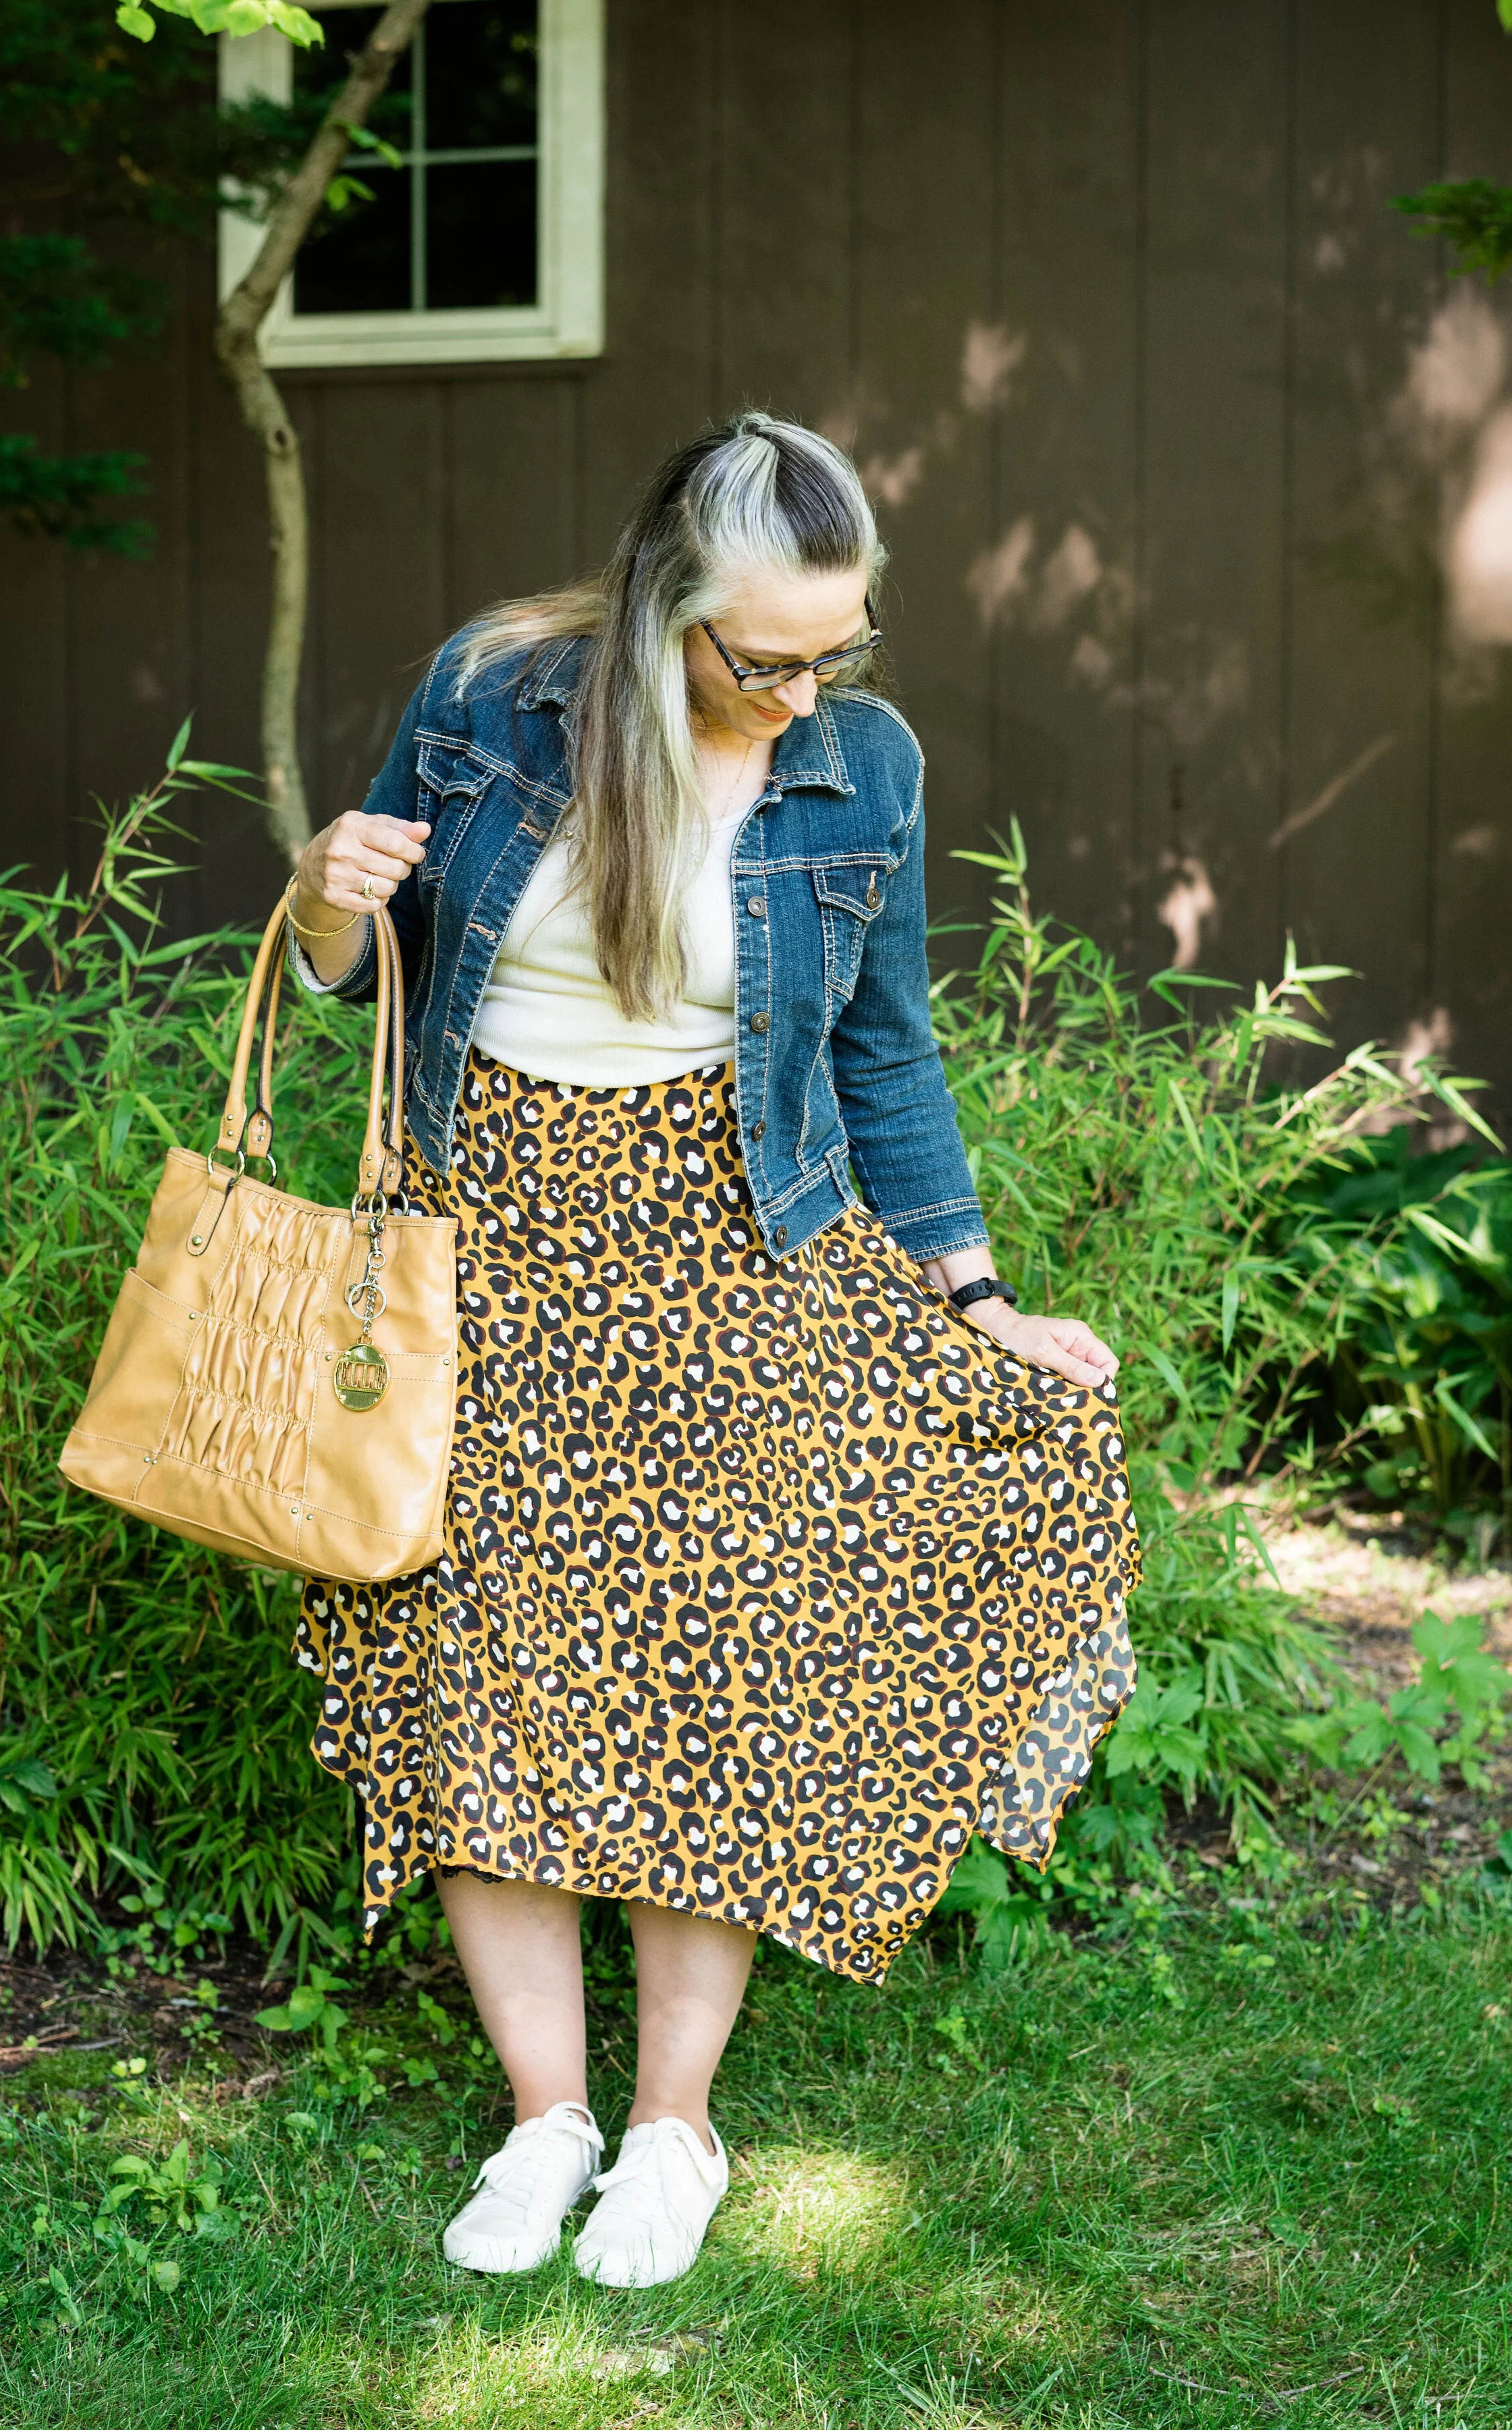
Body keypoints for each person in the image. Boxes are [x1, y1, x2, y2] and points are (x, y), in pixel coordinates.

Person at [283, 411, 1139, 2289]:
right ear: (665, 606)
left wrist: (976, 1295)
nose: (804, 687)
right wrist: (322, 897)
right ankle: (545, 2120)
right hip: (481, 1242)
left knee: (725, 1679)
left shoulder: (862, 764)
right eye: (766, 657)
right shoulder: (494, 696)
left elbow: (885, 1051)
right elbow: (352, 956)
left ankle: (672, 2128)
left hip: (736, 1250)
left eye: (836, 651)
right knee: (481, 1668)